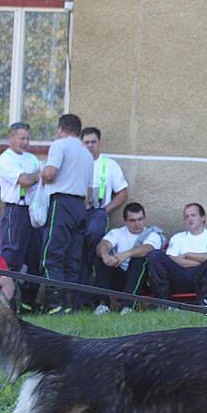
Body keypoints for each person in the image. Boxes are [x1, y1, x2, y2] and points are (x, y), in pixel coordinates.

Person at [41, 114, 94, 314]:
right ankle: (70, 305)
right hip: (80, 206)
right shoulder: (87, 154)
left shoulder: (59, 145)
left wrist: (41, 173)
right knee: (73, 258)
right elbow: (89, 191)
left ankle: (54, 305)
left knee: (52, 255)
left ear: (61, 129)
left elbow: (50, 173)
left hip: (61, 203)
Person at [0, 122, 43, 311]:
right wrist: (37, 175)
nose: (25, 142)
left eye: (27, 138)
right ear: (12, 138)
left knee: (35, 258)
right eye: (22, 138)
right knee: (12, 258)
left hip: (33, 211)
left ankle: (28, 304)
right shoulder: (6, 159)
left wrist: (36, 175)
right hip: (15, 212)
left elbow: (40, 178)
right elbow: (24, 181)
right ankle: (7, 304)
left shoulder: (31, 159)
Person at [146, 203, 207, 306]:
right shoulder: (177, 238)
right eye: (186, 217)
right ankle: (164, 302)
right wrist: (201, 260)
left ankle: (205, 299)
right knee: (154, 255)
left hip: (203, 278)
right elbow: (171, 258)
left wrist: (188, 255)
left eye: (193, 215)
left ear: (203, 217)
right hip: (179, 277)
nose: (189, 219)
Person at [80, 127, 129, 300]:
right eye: (86, 142)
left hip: (98, 213)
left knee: (93, 241)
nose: (90, 146)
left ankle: (95, 296)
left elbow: (123, 192)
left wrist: (106, 210)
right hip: (78, 213)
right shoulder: (76, 163)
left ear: (99, 143)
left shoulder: (109, 165)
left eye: (93, 142)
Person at [93, 202, 164, 315]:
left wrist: (126, 254)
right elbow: (103, 244)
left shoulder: (151, 234)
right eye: (132, 220)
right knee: (100, 259)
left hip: (141, 280)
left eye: (140, 219)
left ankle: (128, 306)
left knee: (140, 259)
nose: (137, 224)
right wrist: (106, 256)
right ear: (125, 221)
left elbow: (148, 248)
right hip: (119, 277)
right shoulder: (118, 232)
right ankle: (103, 305)